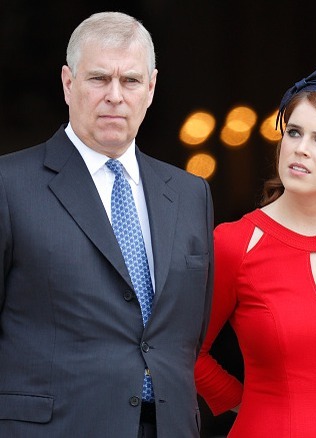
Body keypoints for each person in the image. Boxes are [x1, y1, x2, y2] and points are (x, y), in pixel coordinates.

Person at [0, 11, 214, 438]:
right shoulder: (9, 185)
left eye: (130, 81)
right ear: (67, 83)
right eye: (99, 79)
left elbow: (189, 331)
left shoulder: (191, 193)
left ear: (150, 88)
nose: (115, 95)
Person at [195, 59, 316, 437]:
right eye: (294, 133)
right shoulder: (234, 242)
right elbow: (188, 353)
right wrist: (246, 405)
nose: (300, 149)